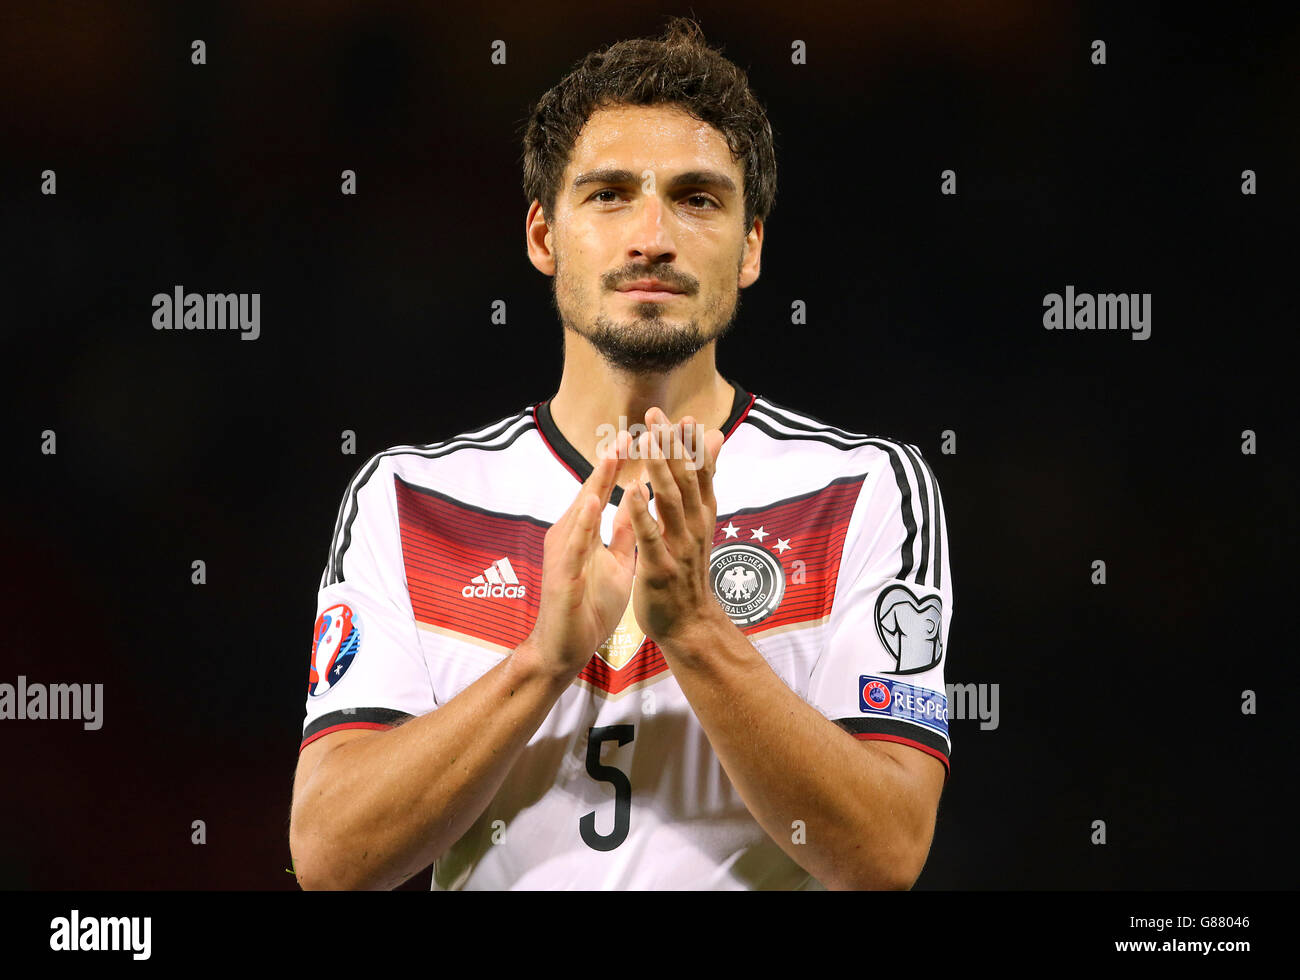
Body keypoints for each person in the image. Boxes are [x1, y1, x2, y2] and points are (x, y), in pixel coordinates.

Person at [289, 17, 953, 890]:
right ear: (542, 236)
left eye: (698, 198)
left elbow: (887, 853)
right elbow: (332, 858)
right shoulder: (412, 499)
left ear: (750, 245)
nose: (652, 237)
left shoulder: (863, 489)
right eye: (608, 195)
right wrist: (541, 661)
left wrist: (697, 632)